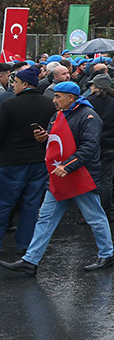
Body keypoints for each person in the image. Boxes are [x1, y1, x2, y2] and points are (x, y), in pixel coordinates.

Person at [0, 81, 114, 275]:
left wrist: (67, 166)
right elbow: (57, 143)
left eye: (57, 97)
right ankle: (30, 260)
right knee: (45, 218)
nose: (53, 100)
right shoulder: (59, 114)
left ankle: (107, 255)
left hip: (79, 176)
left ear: (71, 98)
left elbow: (89, 146)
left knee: (94, 217)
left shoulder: (89, 116)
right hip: (60, 174)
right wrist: (43, 139)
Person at [0, 68, 55, 254]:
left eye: (15, 83)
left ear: (24, 84)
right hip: (39, 160)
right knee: (31, 205)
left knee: (5, 203)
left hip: (11, 161)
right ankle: (25, 245)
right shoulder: (49, 104)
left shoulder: (9, 105)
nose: (13, 86)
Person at [86, 73, 114, 218]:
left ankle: (87, 213)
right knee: (106, 180)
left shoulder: (89, 101)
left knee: (90, 179)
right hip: (110, 144)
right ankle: (105, 212)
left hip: (91, 145)